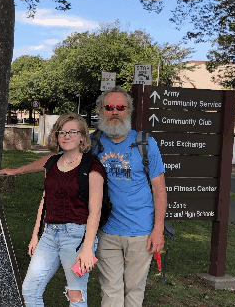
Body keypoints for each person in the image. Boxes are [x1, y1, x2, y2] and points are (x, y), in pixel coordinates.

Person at [92, 86, 166, 307]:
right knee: (110, 291)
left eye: (120, 107)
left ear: (129, 111)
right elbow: (59, 161)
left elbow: (159, 190)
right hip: (106, 231)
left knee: (134, 291)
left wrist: (158, 229)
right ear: (101, 111)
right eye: (109, 107)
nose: (115, 112)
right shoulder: (91, 144)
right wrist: (18, 170)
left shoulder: (146, 143)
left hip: (141, 233)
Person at [22, 113, 105, 307]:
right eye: (62, 132)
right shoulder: (52, 163)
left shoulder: (92, 166)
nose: (66, 136)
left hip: (77, 237)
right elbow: (45, 200)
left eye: (72, 132)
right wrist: (36, 235)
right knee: (30, 290)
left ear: (82, 137)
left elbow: (95, 212)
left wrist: (87, 249)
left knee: (75, 294)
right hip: (49, 235)